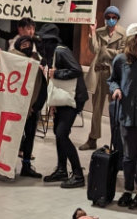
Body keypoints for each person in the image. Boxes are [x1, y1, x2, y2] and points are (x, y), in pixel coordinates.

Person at [38, 24, 88, 188]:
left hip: (73, 99)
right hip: (64, 99)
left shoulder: (60, 51)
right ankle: (61, 170)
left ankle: (78, 174)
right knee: (58, 132)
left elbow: (77, 70)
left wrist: (56, 73)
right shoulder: (53, 52)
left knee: (61, 134)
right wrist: (53, 102)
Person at [80, 6, 126, 151]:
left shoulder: (123, 33)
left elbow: (122, 53)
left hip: (114, 74)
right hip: (99, 73)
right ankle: (92, 138)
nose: (110, 20)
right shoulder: (99, 32)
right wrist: (92, 32)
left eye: (113, 17)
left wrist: (106, 51)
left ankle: (117, 143)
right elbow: (94, 49)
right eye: (108, 17)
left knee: (115, 110)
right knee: (96, 109)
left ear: (117, 18)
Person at [108, 23, 137, 209]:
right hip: (127, 116)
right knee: (128, 156)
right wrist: (116, 89)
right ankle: (128, 190)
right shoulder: (121, 60)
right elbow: (112, 80)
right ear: (134, 38)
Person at [10, 35, 47, 178]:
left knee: (30, 137)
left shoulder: (37, 62)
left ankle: (26, 166)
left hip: (31, 108)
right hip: (15, 108)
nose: (26, 46)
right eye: (23, 44)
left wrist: (36, 107)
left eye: (28, 44)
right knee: (13, 138)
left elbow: (42, 86)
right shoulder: (12, 60)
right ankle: (9, 166)